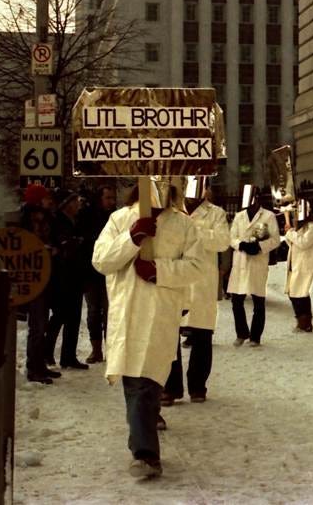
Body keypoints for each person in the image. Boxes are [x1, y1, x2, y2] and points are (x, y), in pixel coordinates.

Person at [92, 179, 208, 478]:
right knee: (136, 383)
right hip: (128, 314)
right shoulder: (120, 219)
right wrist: (131, 239)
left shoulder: (183, 225)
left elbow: (197, 266)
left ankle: (144, 450)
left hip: (160, 314)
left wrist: (160, 270)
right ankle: (144, 449)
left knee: (148, 382)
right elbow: (101, 260)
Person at [163, 178, 230, 404]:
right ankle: (171, 387)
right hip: (176, 280)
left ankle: (198, 385)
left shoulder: (216, 213)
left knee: (202, 335)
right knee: (170, 335)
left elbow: (222, 242)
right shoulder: (170, 211)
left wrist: (194, 229)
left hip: (201, 282)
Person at [228, 185, 281, 347]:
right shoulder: (239, 216)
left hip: (258, 261)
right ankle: (242, 332)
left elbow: (275, 239)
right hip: (241, 262)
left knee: (258, 301)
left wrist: (260, 247)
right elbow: (231, 237)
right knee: (237, 300)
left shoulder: (269, 216)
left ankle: (255, 336)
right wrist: (241, 245)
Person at [19, 199, 62, 384]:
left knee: (41, 326)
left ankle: (39, 365)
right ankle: (33, 367)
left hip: (45, 279)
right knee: (37, 327)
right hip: (35, 281)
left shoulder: (46, 222)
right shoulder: (27, 226)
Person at [45, 190, 88, 370]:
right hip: (61, 276)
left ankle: (68, 356)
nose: (78, 204)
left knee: (74, 318)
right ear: (67, 204)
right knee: (60, 315)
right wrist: (73, 243)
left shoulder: (75, 221)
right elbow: (61, 246)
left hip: (74, 275)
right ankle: (47, 352)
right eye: (75, 201)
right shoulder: (57, 222)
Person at [79, 184, 117, 363]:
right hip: (91, 271)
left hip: (110, 271)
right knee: (94, 311)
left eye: (112, 198)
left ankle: (110, 349)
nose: (111, 201)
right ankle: (96, 349)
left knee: (110, 312)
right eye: (107, 198)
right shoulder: (88, 216)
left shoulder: (115, 217)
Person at [284, 199, 313, 332]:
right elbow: (295, 244)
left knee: (301, 293)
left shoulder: (312, 226)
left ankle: (305, 321)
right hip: (296, 263)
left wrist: (290, 233)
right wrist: (290, 234)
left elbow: (304, 243)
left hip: (305, 265)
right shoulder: (300, 227)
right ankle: (302, 320)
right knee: (294, 293)